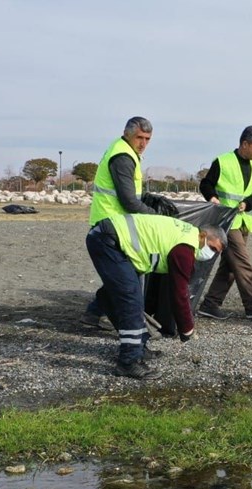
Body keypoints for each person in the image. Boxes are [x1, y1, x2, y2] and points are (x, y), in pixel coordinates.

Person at [86, 213, 226, 379]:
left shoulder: (185, 236)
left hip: (111, 238)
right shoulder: (185, 248)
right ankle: (129, 361)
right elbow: (179, 292)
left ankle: (138, 346)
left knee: (117, 295)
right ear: (203, 235)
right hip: (108, 239)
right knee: (131, 300)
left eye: (216, 253)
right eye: (212, 248)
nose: (211, 254)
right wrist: (187, 329)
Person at [81, 116, 165, 329]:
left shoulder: (125, 152)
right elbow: (128, 200)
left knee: (122, 274)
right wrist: (155, 217)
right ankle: (126, 322)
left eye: (147, 139)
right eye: (140, 137)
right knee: (127, 276)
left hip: (117, 224)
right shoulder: (123, 157)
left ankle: (94, 313)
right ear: (128, 134)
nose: (143, 144)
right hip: (111, 226)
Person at [196, 126, 252, 321]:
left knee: (231, 266)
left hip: (244, 222)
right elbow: (206, 184)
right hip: (226, 222)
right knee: (242, 262)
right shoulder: (223, 162)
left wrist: (247, 203)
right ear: (245, 144)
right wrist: (212, 197)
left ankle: (210, 305)